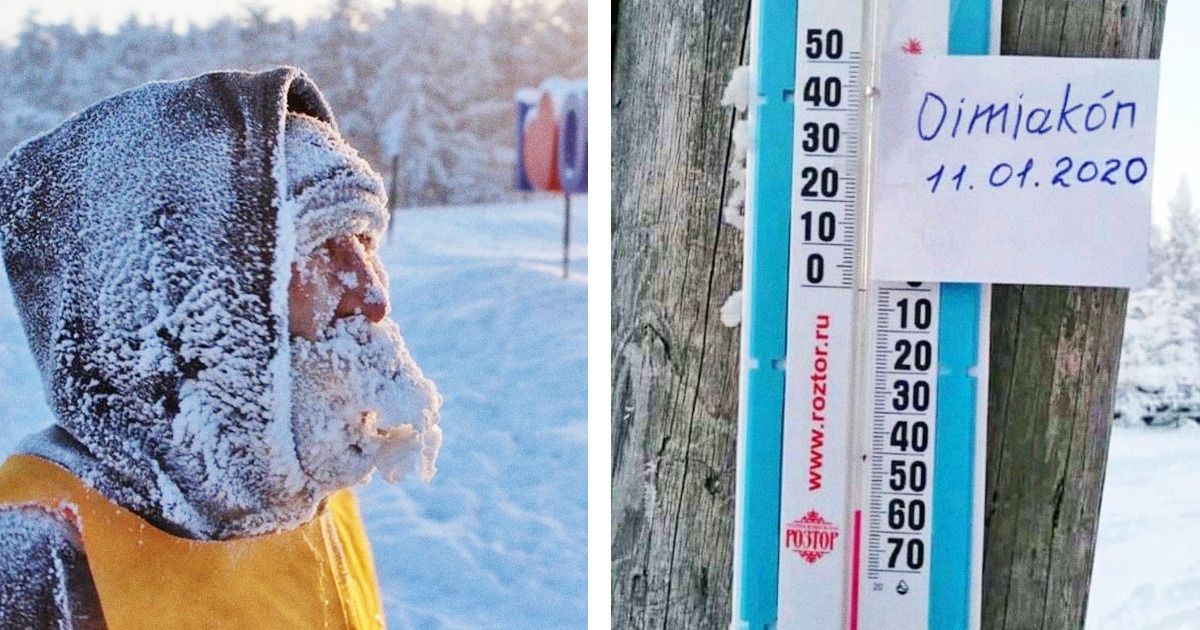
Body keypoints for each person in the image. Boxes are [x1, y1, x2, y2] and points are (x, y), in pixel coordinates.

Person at [0, 68, 442, 628]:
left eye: (364, 241)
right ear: (176, 286)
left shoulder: (306, 478)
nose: (372, 293)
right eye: (319, 246)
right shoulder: (37, 552)